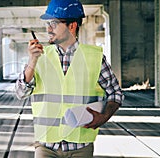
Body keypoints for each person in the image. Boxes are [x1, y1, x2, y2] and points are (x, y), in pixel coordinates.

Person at [15, 0, 124, 157]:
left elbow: (115, 93)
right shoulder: (39, 56)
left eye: (54, 23)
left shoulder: (94, 58)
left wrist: (104, 116)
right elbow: (20, 92)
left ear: (72, 26)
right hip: (46, 146)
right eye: (47, 23)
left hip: (80, 147)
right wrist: (32, 61)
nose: (48, 28)